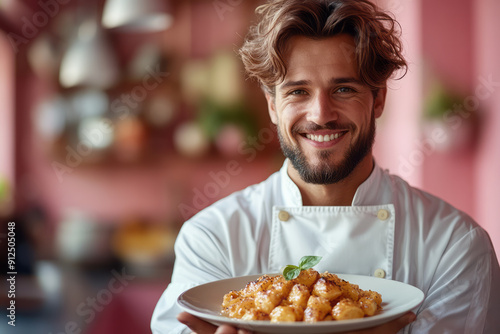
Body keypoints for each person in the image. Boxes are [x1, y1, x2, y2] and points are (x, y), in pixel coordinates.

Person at [151, 0, 500, 333]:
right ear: (272, 105)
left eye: (344, 89)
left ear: (378, 99)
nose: (321, 115)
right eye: (298, 92)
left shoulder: (453, 246)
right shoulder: (215, 237)